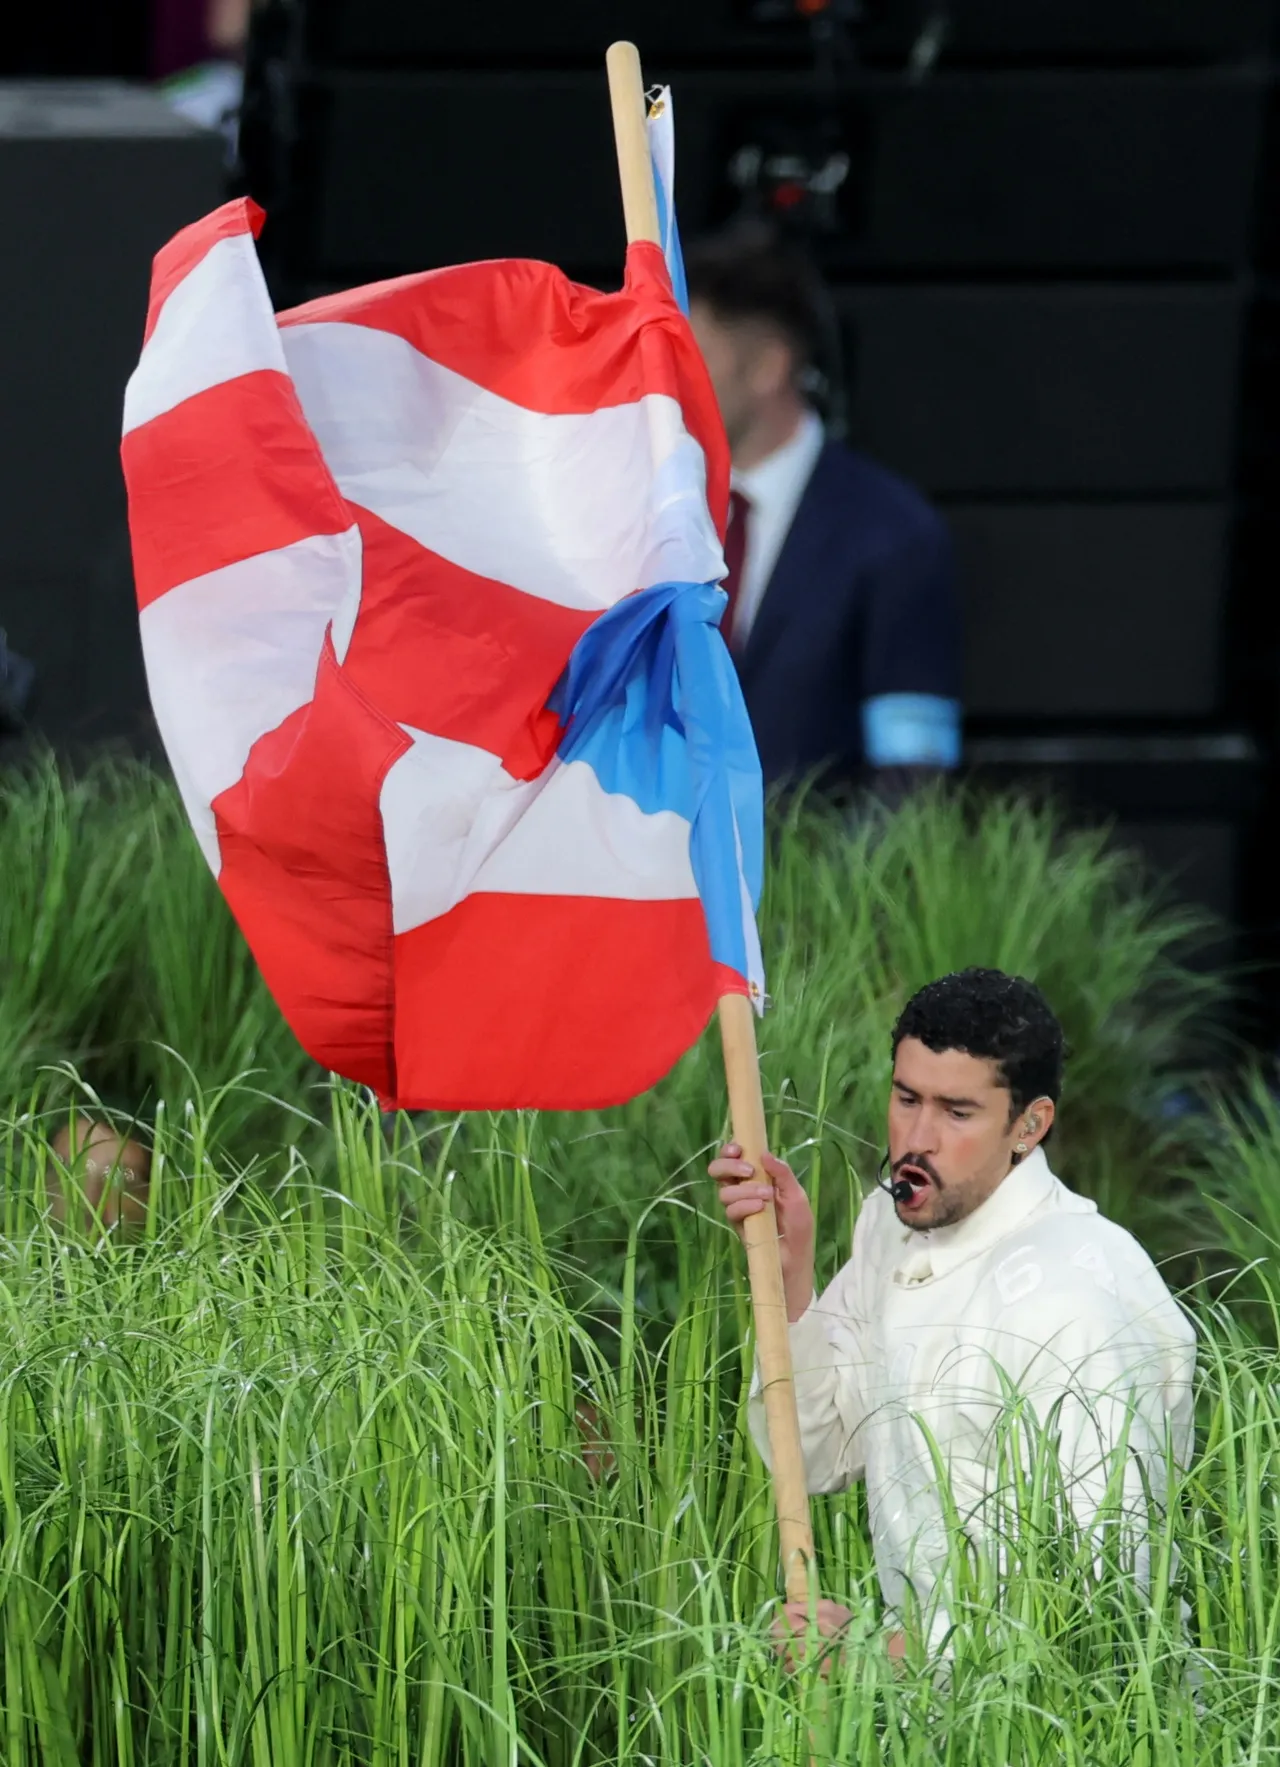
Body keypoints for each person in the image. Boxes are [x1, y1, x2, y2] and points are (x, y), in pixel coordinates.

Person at [710, 968, 1196, 1664]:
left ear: (1030, 1124)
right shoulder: (895, 1222)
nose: (918, 1138)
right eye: (906, 1097)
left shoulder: (1077, 1297)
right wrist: (791, 1270)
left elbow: (1095, 1613)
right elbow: (819, 1450)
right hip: (917, 1717)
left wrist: (868, 1660)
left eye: (956, 1112)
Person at [686, 226, 962, 799]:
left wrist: (820, 888)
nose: (669, 378)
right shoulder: (650, 513)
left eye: (693, 354)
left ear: (767, 367)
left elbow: (912, 778)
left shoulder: (893, 532)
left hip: (809, 880)